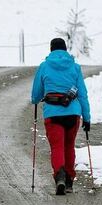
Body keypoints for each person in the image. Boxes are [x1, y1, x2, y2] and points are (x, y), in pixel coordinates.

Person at [30, 37, 91, 195]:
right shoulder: (75, 67)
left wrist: (36, 99)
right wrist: (87, 117)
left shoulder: (44, 66)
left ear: (51, 50)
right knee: (69, 146)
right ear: (65, 50)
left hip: (53, 113)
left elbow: (36, 95)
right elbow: (82, 94)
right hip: (73, 114)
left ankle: (60, 177)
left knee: (57, 147)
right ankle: (69, 181)